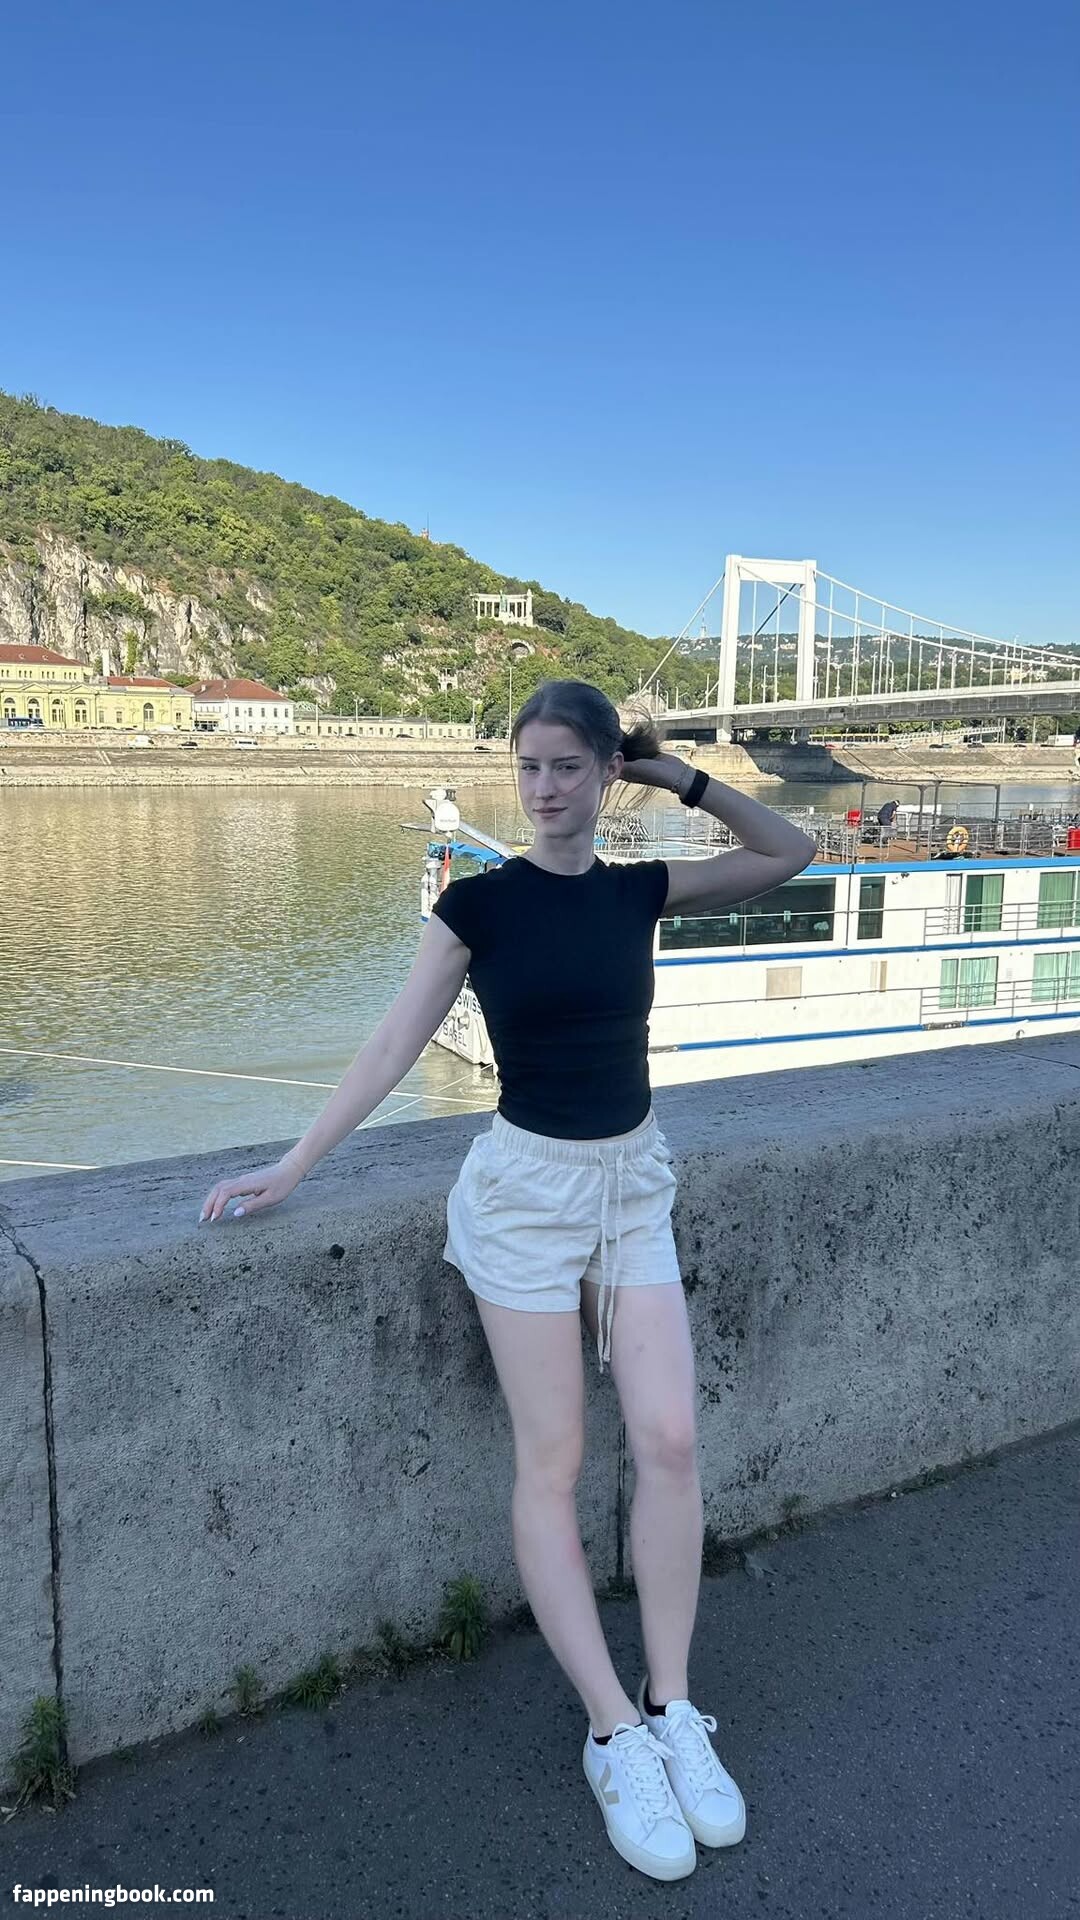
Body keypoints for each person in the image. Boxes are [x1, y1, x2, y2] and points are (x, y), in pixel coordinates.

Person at [198, 678, 816, 1884]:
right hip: (527, 1199)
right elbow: (392, 1042)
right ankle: (612, 1731)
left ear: (604, 773)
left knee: (671, 1439)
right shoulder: (477, 905)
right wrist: (292, 1165)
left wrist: (675, 774)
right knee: (554, 1461)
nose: (544, 789)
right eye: (529, 766)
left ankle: (673, 1704)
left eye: (569, 766)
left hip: (632, 1187)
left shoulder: (640, 890)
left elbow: (787, 849)